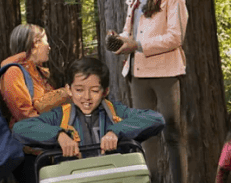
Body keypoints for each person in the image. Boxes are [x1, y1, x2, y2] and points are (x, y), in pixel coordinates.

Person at [109, 0, 191, 183]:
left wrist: (137, 44)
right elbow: (128, 32)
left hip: (166, 72)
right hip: (138, 74)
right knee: (145, 135)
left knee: (172, 132)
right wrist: (120, 41)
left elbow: (175, 37)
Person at [0, 23, 71, 183]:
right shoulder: (12, 73)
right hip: (29, 157)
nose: (49, 46)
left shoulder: (38, 74)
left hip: (43, 154)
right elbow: (26, 116)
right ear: (34, 44)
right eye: (45, 40)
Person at [12, 56, 165, 159]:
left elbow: (156, 119)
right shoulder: (60, 116)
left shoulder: (115, 112)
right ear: (69, 90)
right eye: (79, 90)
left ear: (105, 91)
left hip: (114, 180)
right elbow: (20, 129)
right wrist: (59, 135)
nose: (86, 97)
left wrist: (116, 131)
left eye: (94, 90)